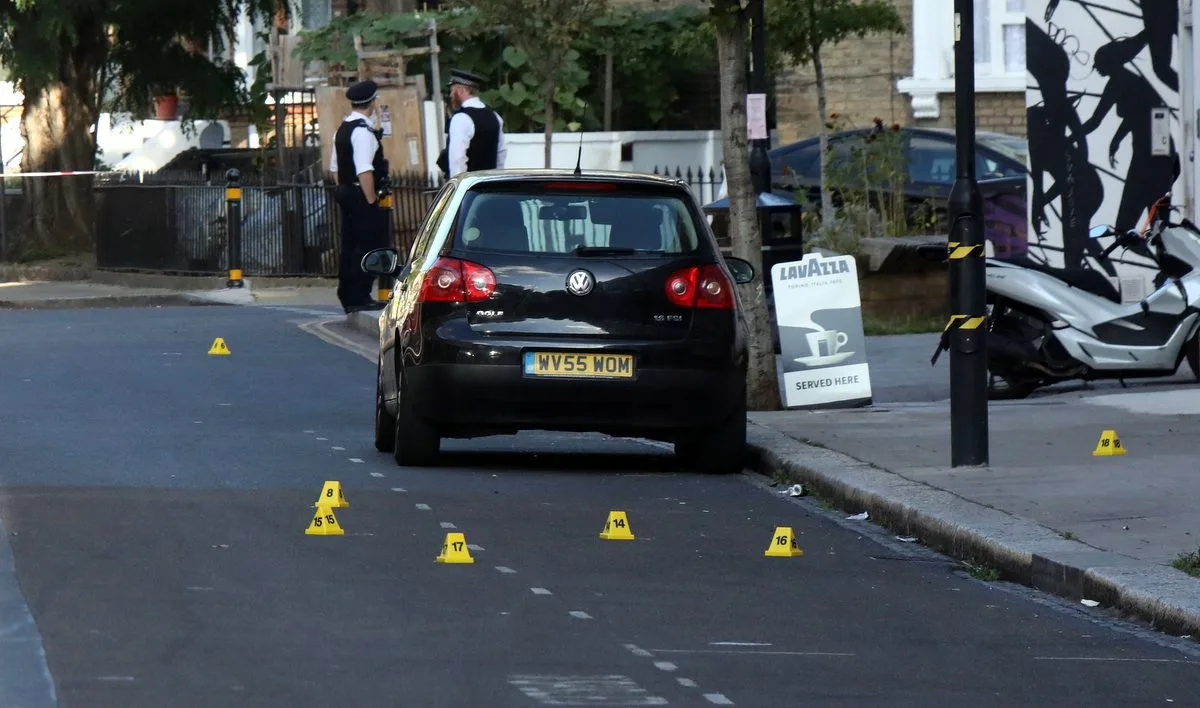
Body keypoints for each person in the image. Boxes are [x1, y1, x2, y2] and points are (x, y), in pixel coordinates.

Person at [329, 79, 389, 314]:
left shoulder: (342, 129)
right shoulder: (363, 132)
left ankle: (347, 294)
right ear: (371, 102)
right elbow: (365, 170)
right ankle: (360, 296)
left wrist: (345, 189)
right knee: (367, 245)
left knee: (349, 244)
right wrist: (371, 199)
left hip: (345, 190)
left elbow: (334, 168)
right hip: (359, 192)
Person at [435, 69, 508, 179]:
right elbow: (501, 153)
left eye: (452, 91)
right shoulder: (494, 116)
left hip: (470, 189)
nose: (451, 95)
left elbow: (458, 159)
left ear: (460, 91)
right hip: (490, 186)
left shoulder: (461, 118)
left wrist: (458, 186)